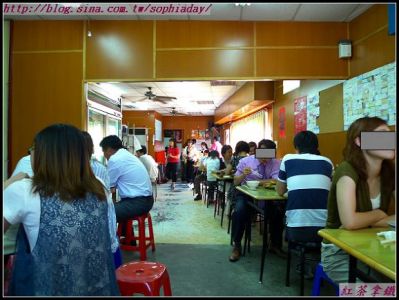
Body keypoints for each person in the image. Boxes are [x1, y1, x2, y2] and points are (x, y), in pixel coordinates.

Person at [3, 124, 119, 295]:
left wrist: (8, 184)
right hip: (97, 288)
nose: (30, 154)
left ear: (45, 154)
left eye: (33, 149)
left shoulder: (25, 190)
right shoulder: (98, 186)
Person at [321, 117, 395, 283]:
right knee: (382, 293)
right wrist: (380, 214)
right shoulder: (347, 171)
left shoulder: (390, 172)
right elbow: (350, 222)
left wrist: (371, 221)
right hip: (338, 254)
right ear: (360, 141)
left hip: (374, 248)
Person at [276, 131, 333, 277]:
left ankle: (304, 262)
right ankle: (317, 263)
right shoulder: (327, 162)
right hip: (325, 232)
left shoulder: (288, 159)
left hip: (297, 231)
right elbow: (330, 192)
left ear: (296, 146)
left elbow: (280, 191)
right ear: (316, 146)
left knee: (279, 212)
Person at [229, 139, 283, 262]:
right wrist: (243, 175)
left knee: (279, 210)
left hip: (268, 195)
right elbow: (236, 182)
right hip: (245, 194)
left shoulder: (276, 163)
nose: (265, 159)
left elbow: (276, 181)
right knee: (239, 211)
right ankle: (237, 245)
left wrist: (256, 182)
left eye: (268, 155)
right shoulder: (245, 161)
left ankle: (274, 244)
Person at [100, 135, 154, 238]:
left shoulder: (115, 159)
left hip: (138, 203)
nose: (104, 155)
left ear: (109, 149)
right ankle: (128, 239)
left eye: (104, 151)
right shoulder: (127, 155)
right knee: (118, 206)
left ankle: (108, 245)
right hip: (146, 200)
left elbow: (108, 186)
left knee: (102, 212)